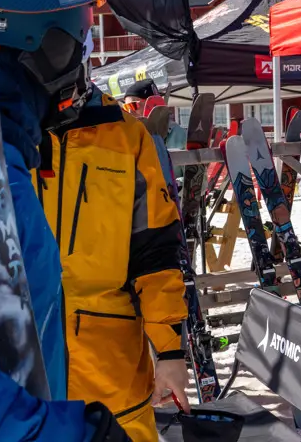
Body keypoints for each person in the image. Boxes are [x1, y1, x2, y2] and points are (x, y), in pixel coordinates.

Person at [0, 0, 131, 441]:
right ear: (43, 43)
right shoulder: (2, 181)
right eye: (82, 37)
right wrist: (74, 433)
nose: (83, 59)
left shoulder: (12, 159)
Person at [39, 71, 191, 440]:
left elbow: (155, 252)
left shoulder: (125, 135)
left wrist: (170, 351)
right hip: (23, 372)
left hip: (111, 373)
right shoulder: (8, 134)